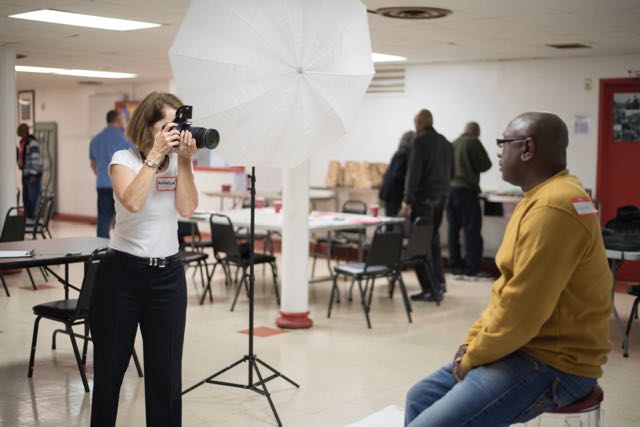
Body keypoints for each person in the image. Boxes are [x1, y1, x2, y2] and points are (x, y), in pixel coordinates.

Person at [404, 112, 612, 427]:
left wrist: (473, 357)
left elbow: (522, 314)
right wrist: (472, 341)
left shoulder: (552, 208)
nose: (499, 151)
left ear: (527, 149)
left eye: (503, 142)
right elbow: (507, 291)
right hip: (523, 347)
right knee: (419, 397)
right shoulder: (539, 198)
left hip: (554, 363)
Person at [90, 92, 199, 427]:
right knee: (110, 370)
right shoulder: (123, 160)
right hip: (122, 275)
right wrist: (155, 156)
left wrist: (183, 161)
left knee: (166, 375)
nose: (174, 133)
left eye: (177, 126)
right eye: (166, 126)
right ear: (147, 127)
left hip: (168, 277)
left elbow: (186, 208)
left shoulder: (177, 162)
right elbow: (133, 202)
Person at [402, 109, 453, 302]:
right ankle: (440, 283)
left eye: (415, 121)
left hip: (424, 200)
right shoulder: (446, 143)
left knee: (419, 244)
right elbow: (452, 172)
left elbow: (413, 172)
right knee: (433, 241)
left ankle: (430, 289)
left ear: (420, 122)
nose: (414, 126)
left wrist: (407, 200)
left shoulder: (419, 140)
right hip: (441, 197)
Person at [447, 122, 492, 280]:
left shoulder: (453, 143)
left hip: (450, 191)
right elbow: (486, 164)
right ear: (474, 132)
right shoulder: (473, 142)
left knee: (453, 231)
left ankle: (455, 268)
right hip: (467, 191)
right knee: (472, 231)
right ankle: (472, 269)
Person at [89, 110, 134, 238]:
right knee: (124, 218)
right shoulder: (125, 138)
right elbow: (135, 160)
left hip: (102, 184)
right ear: (118, 121)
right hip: (122, 185)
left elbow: (93, 164)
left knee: (103, 219)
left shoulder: (96, 139)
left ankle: (101, 249)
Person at [379, 130, 415, 217]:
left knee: (392, 221)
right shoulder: (403, 153)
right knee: (392, 222)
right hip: (393, 194)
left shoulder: (402, 152)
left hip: (392, 193)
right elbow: (397, 174)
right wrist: (409, 181)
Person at [16, 124, 43, 219]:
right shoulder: (22, 142)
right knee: (26, 199)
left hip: (32, 176)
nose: (17, 130)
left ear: (25, 130)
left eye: (20, 129)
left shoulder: (32, 142)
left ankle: (34, 220)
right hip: (25, 174)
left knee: (33, 199)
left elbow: (35, 159)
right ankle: (28, 219)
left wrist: (33, 174)